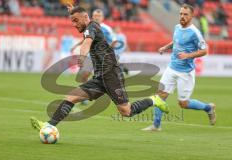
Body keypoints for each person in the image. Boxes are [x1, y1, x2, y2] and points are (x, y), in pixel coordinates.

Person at [30, 5, 169, 130]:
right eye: (72, 21)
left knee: (126, 111)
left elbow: (86, 43)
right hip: (99, 77)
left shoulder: (92, 27)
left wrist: (82, 57)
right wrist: (74, 10)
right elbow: (86, 39)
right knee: (71, 97)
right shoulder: (89, 28)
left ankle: (154, 100)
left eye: (76, 20)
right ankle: (48, 125)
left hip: (111, 75)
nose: (73, 24)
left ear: (85, 17)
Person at [142, 4, 216, 132]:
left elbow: (204, 51)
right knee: (160, 96)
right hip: (172, 68)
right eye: (181, 14)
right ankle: (156, 125)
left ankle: (208, 108)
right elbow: (176, 42)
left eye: (185, 14)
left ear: (191, 16)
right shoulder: (177, 27)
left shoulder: (195, 33)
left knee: (183, 104)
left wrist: (188, 55)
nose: (182, 16)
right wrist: (165, 47)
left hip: (185, 72)